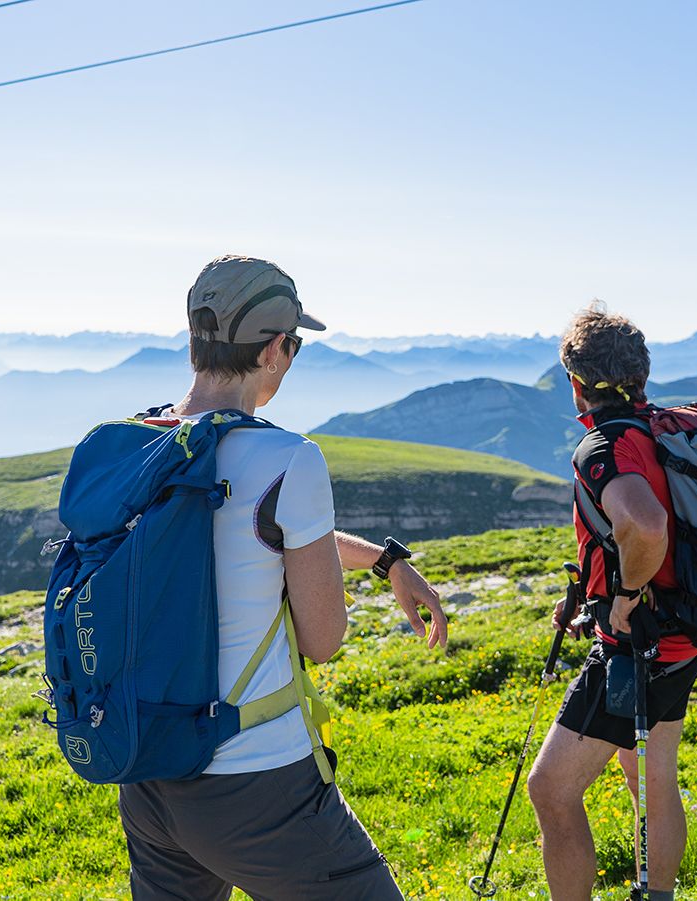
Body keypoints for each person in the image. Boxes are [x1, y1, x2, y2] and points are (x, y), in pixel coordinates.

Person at [117, 255, 449, 900]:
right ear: (272, 349)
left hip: (147, 766)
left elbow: (238, 539)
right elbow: (323, 637)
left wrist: (384, 561)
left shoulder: (133, 440)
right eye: (294, 345)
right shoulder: (288, 458)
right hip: (254, 779)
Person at [527, 305, 697, 901]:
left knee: (550, 791)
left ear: (577, 383)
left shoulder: (604, 447)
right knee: (652, 780)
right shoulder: (664, 429)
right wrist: (595, 593)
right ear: (642, 374)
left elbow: (646, 523)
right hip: (686, 636)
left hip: (639, 646)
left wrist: (624, 599)